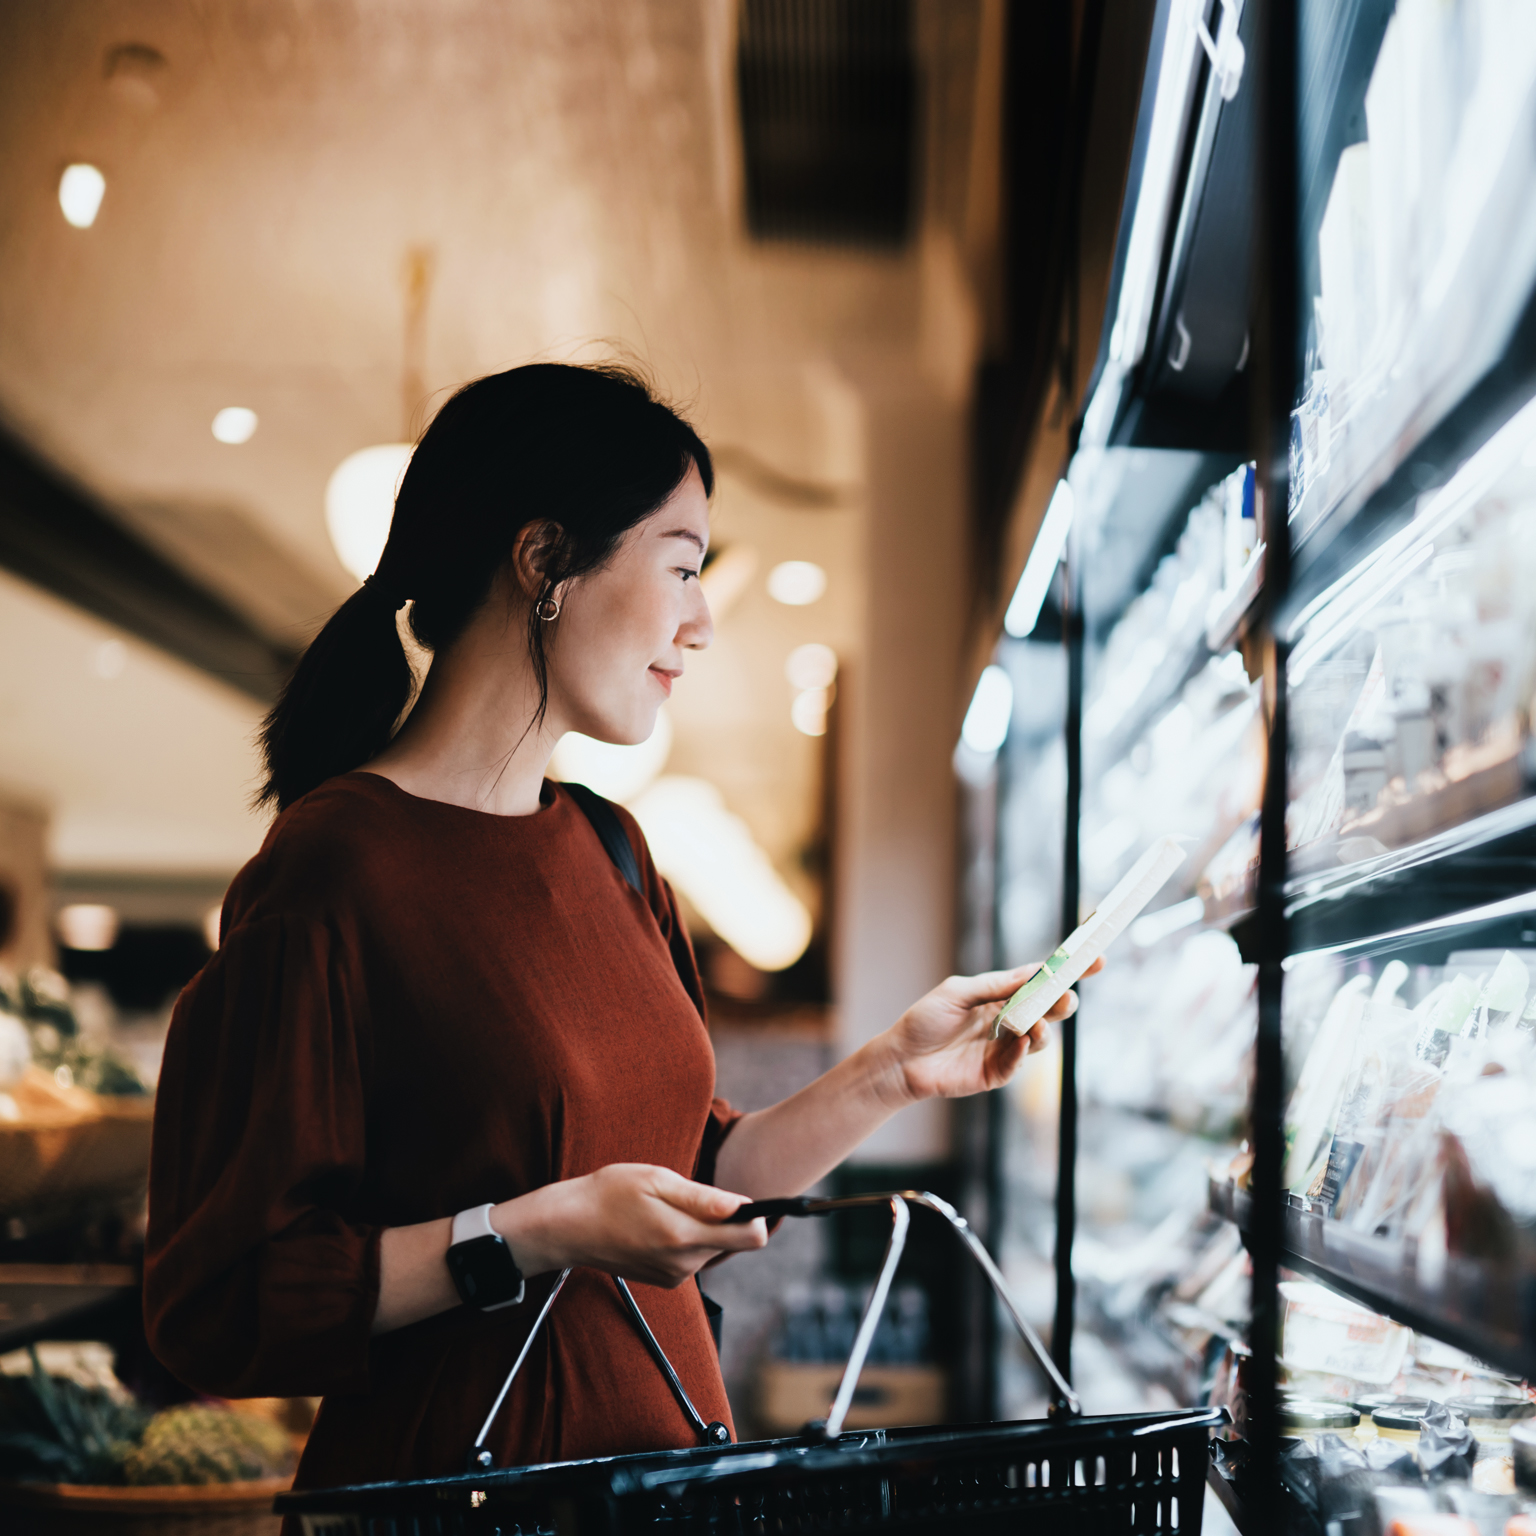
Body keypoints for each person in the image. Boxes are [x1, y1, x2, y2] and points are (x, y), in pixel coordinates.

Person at [143, 363, 1088, 1496]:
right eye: (683, 566)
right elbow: (224, 1299)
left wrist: (893, 1073)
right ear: (544, 561)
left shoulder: (614, 850)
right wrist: (531, 1232)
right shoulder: (335, 868)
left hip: (669, 1488)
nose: (698, 624)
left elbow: (698, 1178)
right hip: (464, 1501)